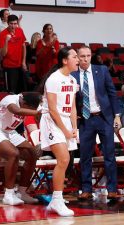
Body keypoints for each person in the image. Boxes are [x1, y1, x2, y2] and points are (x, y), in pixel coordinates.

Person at [73, 46, 121, 201]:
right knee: (85, 156)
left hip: (103, 117)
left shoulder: (101, 70)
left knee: (109, 155)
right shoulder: (72, 75)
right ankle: (86, 189)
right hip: (85, 119)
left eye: (88, 55)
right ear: (77, 58)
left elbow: (112, 93)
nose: (85, 59)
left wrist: (117, 116)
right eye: (82, 56)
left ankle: (112, 189)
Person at [0, 92, 41, 205]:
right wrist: (37, 112)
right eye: (29, 109)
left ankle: (22, 192)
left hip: (8, 132)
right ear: (24, 102)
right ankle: (8, 194)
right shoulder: (10, 99)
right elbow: (16, 111)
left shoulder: (32, 103)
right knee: (13, 153)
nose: (29, 111)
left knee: (32, 153)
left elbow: (43, 111)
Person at [39, 47, 79, 216]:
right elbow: (53, 110)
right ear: (64, 60)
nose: (78, 59)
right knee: (63, 158)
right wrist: (65, 130)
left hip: (65, 121)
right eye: (75, 57)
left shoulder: (71, 80)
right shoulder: (54, 79)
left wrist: (74, 126)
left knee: (66, 161)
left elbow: (72, 106)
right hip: (51, 120)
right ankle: (56, 200)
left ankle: (57, 199)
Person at [0, 15, 27, 94]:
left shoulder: (20, 31)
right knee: (11, 92)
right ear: (8, 23)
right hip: (9, 66)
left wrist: (23, 62)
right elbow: (3, 54)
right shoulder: (3, 34)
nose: (13, 26)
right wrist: (7, 41)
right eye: (11, 24)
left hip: (19, 65)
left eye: (15, 23)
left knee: (22, 91)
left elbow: (23, 46)